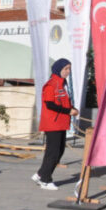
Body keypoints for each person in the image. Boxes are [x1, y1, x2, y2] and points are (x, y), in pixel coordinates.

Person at [33, 58, 77, 191]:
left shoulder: (63, 84)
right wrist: (69, 111)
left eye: (69, 69)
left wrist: (72, 108)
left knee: (60, 151)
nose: (68, 71)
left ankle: (40, 173)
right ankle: (45, 179)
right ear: (58, 69)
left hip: (61, 123)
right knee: (53, 152)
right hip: (53, 123)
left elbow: (64, 102)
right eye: (66, 69)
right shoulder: (51, 84)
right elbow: (50, 104)